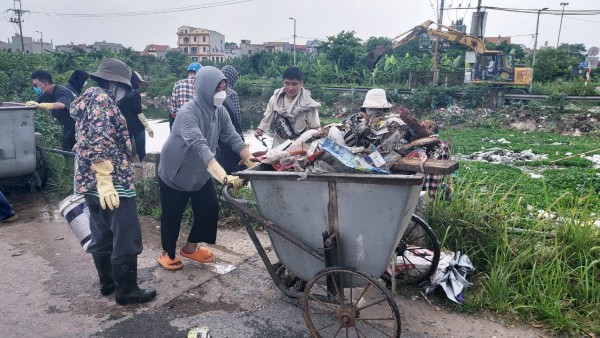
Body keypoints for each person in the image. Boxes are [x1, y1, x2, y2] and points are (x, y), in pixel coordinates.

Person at [70, 58, 156, 305]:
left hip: (90, 183)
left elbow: (87, 140)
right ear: (113, 83)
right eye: (124, 87)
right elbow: (100, 139)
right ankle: (127, 290)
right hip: (111, 182)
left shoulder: (87, 100)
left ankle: (107, 283)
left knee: (102, 232)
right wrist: (106, 178)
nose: (124, 93)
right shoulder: (101, 100)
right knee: (126, 234)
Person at [157, 66, 255, 271]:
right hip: (176, 171)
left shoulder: (219, 111)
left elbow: (232, 137)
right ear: (203, 88)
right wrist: (223, 176)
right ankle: (167, 253)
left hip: (201, 172)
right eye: (217, 88)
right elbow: (199, 145)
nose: (222, 93)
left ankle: (190, 248)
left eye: (224, 88)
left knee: (209, 209)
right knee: (172, 214)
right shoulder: (187, 113)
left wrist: (250, 160)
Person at [254, 67, 321, 147]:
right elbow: (268, 116)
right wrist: (260, 129)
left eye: (294, 84)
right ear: (283, 82)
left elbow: (314, 129)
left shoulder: (309, 104)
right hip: (278, 145)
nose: (290, 88)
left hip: (299, 147)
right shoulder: (275, 99)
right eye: (287, 83)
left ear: (301, 83)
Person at [26, 70, 76, 151]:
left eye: (36, 85)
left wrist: (43, 105)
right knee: (66, 148)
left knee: (73, 149)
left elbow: (61, 105)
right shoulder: (45, 95)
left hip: (79, 125)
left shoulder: (60, 91)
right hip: (68, 125)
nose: (35, 88)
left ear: (45, 84)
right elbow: (35, 105)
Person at [118, 71, 154, 162]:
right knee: (141, 152)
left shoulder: (119, 94)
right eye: (138, 82)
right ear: (134, 82)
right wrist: (148, 127)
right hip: (138, 128)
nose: (139, 84)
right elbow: (139, 113)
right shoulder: (135, 94)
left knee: (126, 153)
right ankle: (144, 171)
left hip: (124, 128)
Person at [216, 65, 244, 174]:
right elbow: (237, 119)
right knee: (237, 172)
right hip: (232, 140)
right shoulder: (231, 94)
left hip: (220, 143)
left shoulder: (214, 92)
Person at [169, 62, 202, 131]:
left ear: (188, 73)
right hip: (196, 125)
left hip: (179, 124)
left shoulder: (177, 84)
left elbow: (172, 109)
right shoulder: (201, 85)